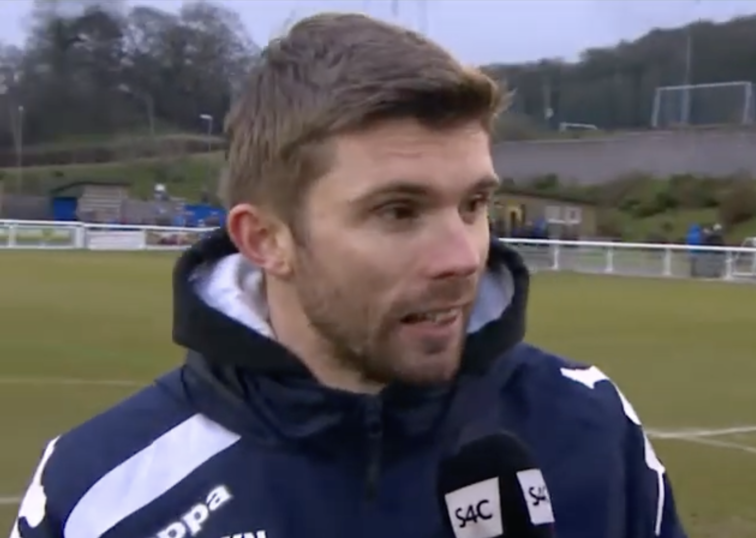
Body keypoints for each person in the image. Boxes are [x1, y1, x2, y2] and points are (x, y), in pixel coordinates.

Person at [9, 13, 687, 538]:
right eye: (399, 210)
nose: (462, 256)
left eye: (473, 203)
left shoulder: (589, 426)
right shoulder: (101, 492)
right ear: (266, 240)